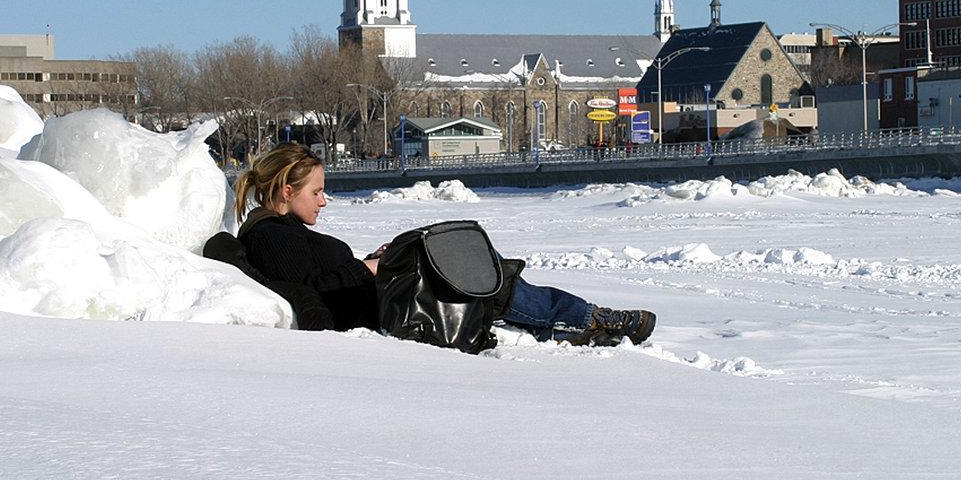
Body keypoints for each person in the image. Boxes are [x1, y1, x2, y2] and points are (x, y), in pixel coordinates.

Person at [233, 143, 656, 346]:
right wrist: (368, 269)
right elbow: (311, 288)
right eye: (317, 192)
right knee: (485, 282)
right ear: (286, 191)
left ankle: (583, 325)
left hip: (389, 297)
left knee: (483, 276)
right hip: (390, 308)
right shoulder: (271, 235)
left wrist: (375, 263)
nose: (325, 200)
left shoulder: (285, 229)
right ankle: (592, 320)